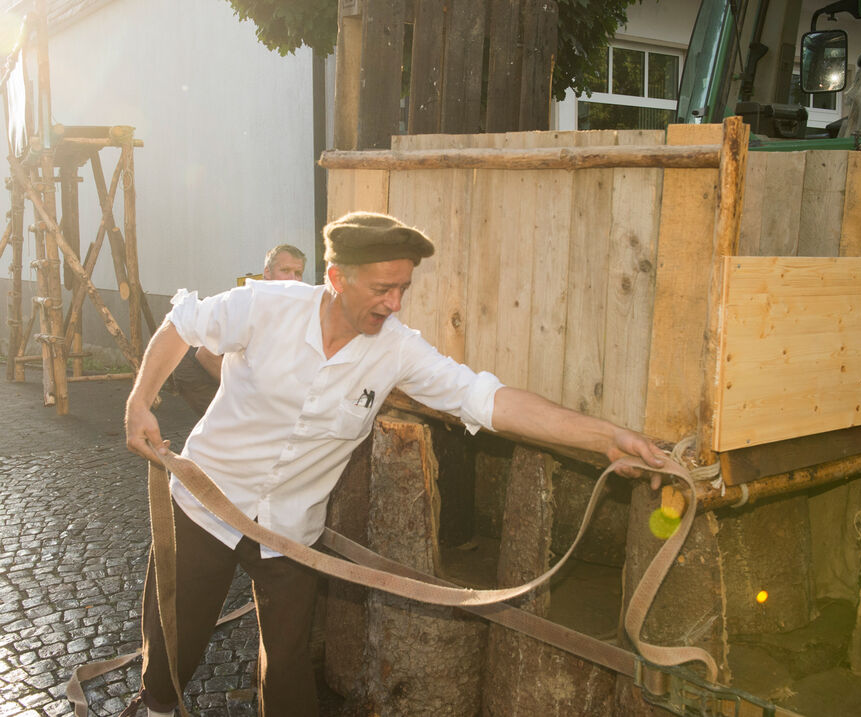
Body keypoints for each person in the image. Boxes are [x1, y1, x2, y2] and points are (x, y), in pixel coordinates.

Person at [124, 212, 668, 717]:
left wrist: (606, 437)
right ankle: (156, 706)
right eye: (382, 288)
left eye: (403, 288)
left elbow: (489, 400)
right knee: (175, 635)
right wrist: (139, 401)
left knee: (289, 668)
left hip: (288, 531)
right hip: (204, 505)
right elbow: (181, 326)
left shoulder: (398, 350)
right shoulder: (267, 305)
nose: (395, 304)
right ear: (337, 279)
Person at [169, 244, 307, 414]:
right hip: (195, 368)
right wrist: (246, 393)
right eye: (285, 270)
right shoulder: (249, 302)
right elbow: (205, 355)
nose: (292, 279)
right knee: (229, 421)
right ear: (267, 273)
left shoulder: (288, 303)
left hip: (220, 361)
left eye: (298, 273)